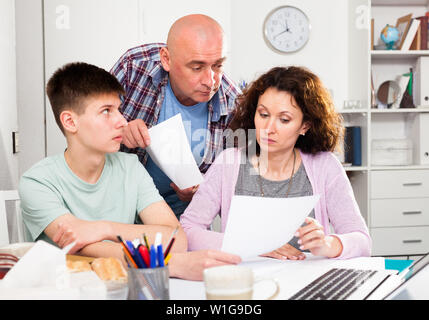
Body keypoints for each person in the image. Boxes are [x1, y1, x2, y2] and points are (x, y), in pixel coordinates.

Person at [19, 62, 240, 281]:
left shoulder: (130, 167)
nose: (121, 121)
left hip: (125, 288)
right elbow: (81, 244)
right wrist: (168, 263)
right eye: (106, 111)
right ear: (70, 121)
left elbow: (176, 238)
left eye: (118, 109)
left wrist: (104, 229)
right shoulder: (37, 182)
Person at [180, 66, 372, 260]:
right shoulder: (229, 163)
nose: (268, 128)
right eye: (263, 115)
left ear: (304, 125)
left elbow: (362, 241)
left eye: (284, 119)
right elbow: (187, 230)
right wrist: (246, 245)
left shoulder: (325, 166)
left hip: (306, 281)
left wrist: (328, 244)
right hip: (245, 280)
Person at [110, 14, 241, 219]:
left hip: (179, 220)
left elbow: (236, 186)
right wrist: (117, 129)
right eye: (197, 67)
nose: (211, 81)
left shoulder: (234, 105)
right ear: (166, 59)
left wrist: (206, 190)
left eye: (218, 65)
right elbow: (83, 123)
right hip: (115, 206)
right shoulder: (134, 66)